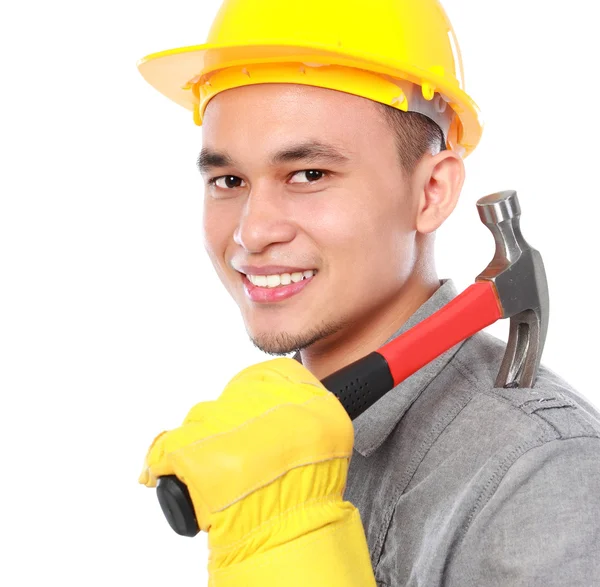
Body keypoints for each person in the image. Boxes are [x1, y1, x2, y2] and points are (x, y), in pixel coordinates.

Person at [137, 0, 600, 584]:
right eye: (228, 181)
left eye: (309, 175)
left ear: (431, 192)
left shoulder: (539, 471)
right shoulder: (281, 441)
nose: (252, 231)